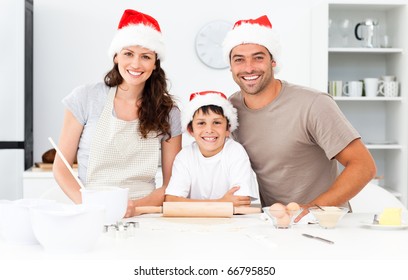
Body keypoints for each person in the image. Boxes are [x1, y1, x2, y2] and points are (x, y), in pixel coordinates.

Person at [222, 15, 376, 220]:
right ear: (231, 66)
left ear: (273, 61)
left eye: (258, 57)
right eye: (239, 59)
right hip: (275, 223)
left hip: (324, 222)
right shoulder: (231, 108)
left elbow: (363, 166)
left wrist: (311, 209)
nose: (249, 67)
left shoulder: (313, 104)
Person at [53, 9, 182, 217]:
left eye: (146, 57)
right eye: (128, 53)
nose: (136, 64)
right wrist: (90, 205)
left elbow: (172, 185)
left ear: (155, 63)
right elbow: (61, 169)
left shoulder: (168, 112)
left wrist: (135, 207)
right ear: (116, 56)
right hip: (93, 212)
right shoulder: (85, 98)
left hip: (146, 215)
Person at [165, 91, 258, 206]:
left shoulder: (235, 152)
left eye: (217, 122)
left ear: (228, 129)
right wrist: (221, 203)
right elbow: (171, 201)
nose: (209, 130)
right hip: (192, 223)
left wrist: (192, 206)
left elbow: (241, 202)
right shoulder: (185, 156)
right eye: (201, 123)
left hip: (230, 222)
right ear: (191, 130)